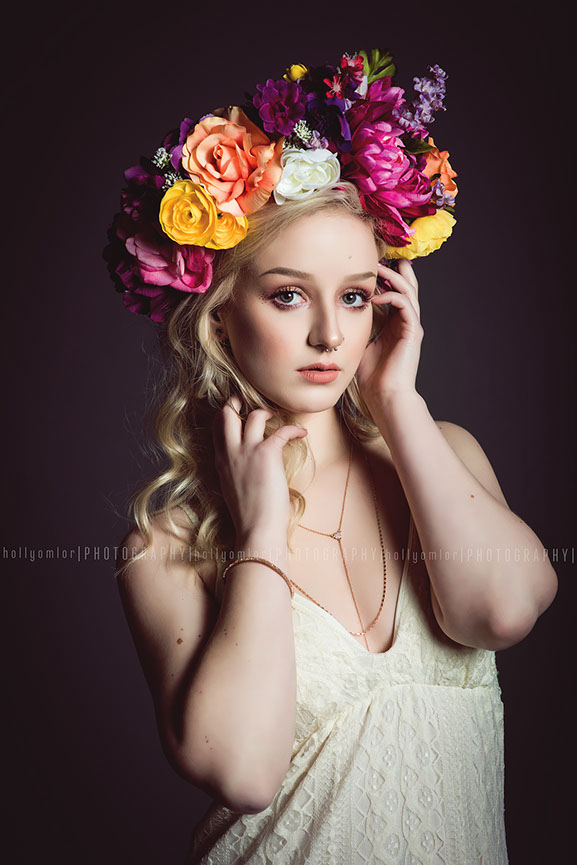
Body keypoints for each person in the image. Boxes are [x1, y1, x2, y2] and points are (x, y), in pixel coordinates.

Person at [108, 49, 558, 864]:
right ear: (218, 319)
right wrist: (262, 536)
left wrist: (397, 403)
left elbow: (502, 611)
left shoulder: (440, 454)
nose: (329, 335)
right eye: (288, 294)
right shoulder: (168, 544)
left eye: (353, 295)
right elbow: (243, 772)